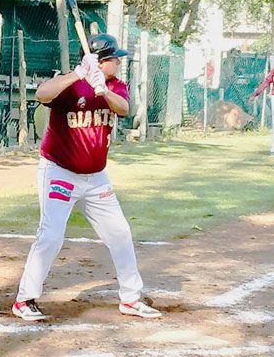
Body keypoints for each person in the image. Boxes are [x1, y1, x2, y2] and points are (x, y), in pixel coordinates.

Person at [12, 33, 162, 322]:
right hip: (59, 172)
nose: (119, 62)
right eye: (114, 58)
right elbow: (42, 95)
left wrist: (102, 90)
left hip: (96, 179)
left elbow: (124, 109)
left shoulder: (115, 86)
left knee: (120, 233)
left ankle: (131, 298)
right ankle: (25, 299)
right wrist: (77, 74)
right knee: (51, 236)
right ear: (100, 61)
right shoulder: (71, 84)